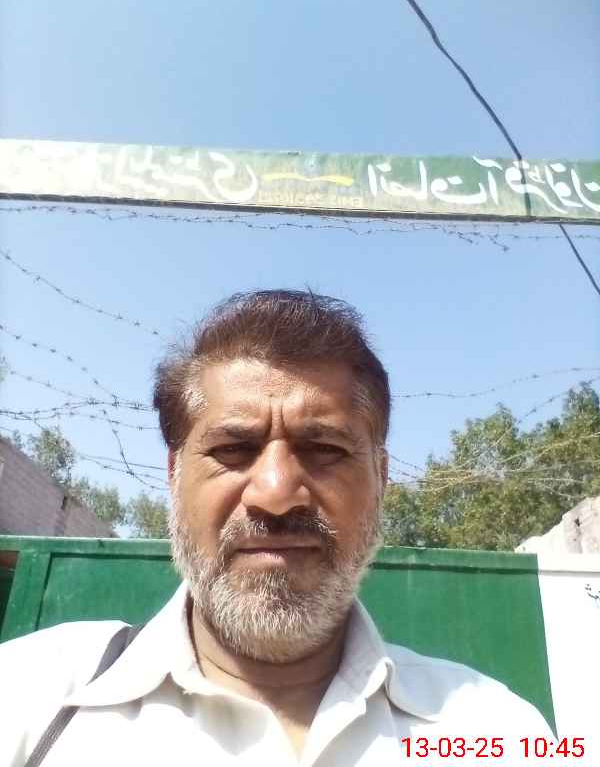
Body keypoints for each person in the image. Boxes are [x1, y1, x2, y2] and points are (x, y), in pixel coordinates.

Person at [0, 290, 552, 766]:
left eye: (325, 449)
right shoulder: (30, 697)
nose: (276, 493)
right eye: (232, 449)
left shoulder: (497, 733)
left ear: (380, 478)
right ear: (174, 475)